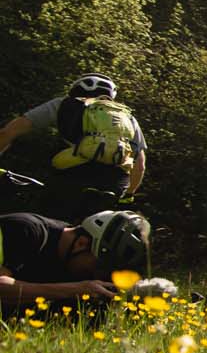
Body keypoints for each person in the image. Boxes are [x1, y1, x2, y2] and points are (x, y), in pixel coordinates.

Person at [0, 74, 147, 221]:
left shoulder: (64, 104)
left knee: (48, 225)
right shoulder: (128, 118)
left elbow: (8, 132)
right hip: (114, 186)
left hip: (71, 179)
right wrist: (128, 195)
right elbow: (140, 165)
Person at [0, 208, 151, 311]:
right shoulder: (25, 230)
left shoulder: (70, 256)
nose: (96, 277)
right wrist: (74, 289)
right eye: (98, 268)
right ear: (82, 243)